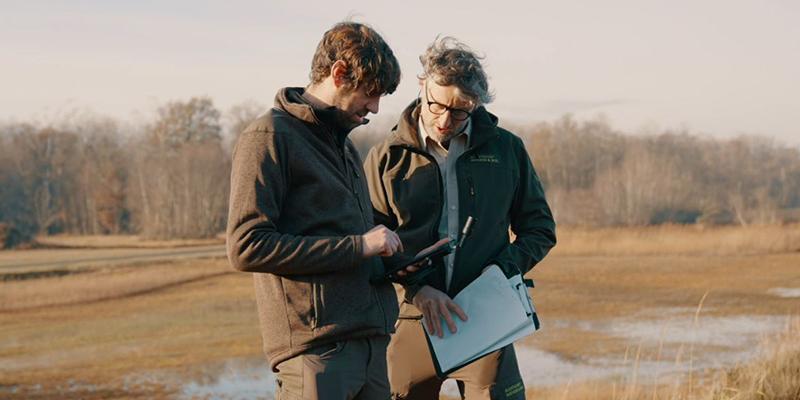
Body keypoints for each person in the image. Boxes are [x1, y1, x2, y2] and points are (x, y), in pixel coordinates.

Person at [363, 37, 557, 400]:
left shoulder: (507, 150)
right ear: (422, 86)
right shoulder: (385, 156)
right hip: (413, 318)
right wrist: (418, 289)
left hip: (488, 317)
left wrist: (500, 273)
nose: (444, 120)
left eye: (460, 111)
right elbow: (371, 239)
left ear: (476, 105)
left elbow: (540, 230)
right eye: (436, 105)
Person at [226, 21, 404, 400]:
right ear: (339, 73)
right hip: (318, 354)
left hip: (370, 345)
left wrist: (393, 262)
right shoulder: (270, 136)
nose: (374, 108)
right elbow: (246, 246)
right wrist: (359, 247)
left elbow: (352, 242)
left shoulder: (345, 146)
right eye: (370, 93)